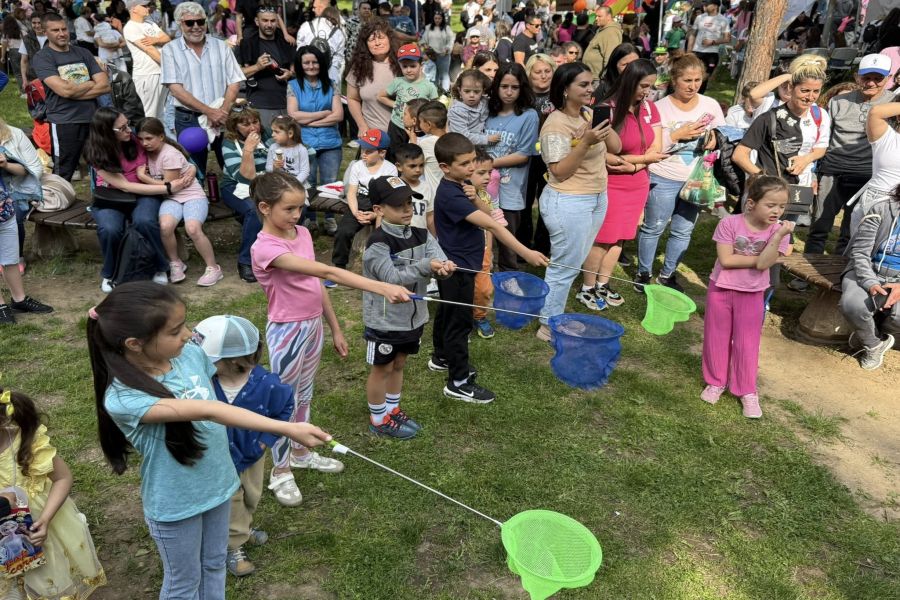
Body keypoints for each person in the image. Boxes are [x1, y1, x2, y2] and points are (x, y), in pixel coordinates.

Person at [88, 282, 334, 598]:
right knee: (183, 584)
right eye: (176, 331)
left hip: (219, 485)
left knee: (215, 564)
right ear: (135, 343)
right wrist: (287, 428)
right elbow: (210, 409)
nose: (189, 335)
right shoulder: (124, 397)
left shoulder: (190, 356)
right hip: (177, 505)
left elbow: (221, 389)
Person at [249, 172, 411, 499]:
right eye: (289, 209)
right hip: (287, 330)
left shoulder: (301, 233)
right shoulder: (265, 248)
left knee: (304, 395)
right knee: (284, 402)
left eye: (300, 208)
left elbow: (316, 284)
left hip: (312, 327)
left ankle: (300, 454)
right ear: (265, 207)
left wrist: (334, 327)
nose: (297, 215)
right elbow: (326, 271)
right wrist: (382, 287)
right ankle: (279, 472)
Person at [429, 133, 548, 402]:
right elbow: (493, 224)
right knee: (459, 323)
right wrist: (525, 253)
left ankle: (442, 356)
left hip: (459, 264)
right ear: (445, 167)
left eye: (473, 161)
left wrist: (472, 194)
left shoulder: (460, 187)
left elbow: (488, 210)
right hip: (459, 268)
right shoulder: (451, 196)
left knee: (448, 312)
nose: (471, 168)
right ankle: (458, 382)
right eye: (464, 164)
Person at [192, 315, 293, 576]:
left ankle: (242, 530)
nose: (202, 362)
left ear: (233, 360)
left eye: (209, 358)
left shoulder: (268, 383)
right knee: (231, 500)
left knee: (251, 496)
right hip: (218, 458)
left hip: (252, 455)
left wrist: (265, 441)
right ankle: (231, 547)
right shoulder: (204, 384)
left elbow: (284, 409)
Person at [535, 62, 622, 340]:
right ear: (564, 90)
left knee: (573, 260)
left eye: (591, 82)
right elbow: (559, 171)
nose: (591, 88)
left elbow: (618, 148)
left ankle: (554, 317)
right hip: (568, 201)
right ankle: (548, 324)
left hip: (595, 197)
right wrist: (585, 142)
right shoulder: (555, 125)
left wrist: (604, 125)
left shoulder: (587, 113)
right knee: (565, 265)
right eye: (583, 84)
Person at [362, 175, 453, 438]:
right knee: (383, 367)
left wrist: (444, 269)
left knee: (399, 363)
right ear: (378, 210)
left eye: (408, 203)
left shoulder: (423, 235)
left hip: (414, 319)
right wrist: (427, 266)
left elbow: (439, 260)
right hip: (384, 321)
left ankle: (393, 409)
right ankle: (379, 419)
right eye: (397, 205)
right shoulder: (377, 244)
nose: (406, 209)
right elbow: (392, 279)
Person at [701, 176, 793, 418]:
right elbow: (727, 260)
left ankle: (747, 390)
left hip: (753, 293)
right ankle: (716, 381)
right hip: (720, 288)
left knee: (747, 343)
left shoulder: (781, 231)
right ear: (751, 203)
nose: (777, 211)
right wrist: (763, 260)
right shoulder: (729, 224)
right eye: (770, 205)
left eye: (782, 206)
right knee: (717, 337)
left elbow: (763, 263)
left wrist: (776, 237)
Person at [0, 388, 105, 597]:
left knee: (47, 583)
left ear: (2, 419)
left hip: (37, 532)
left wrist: (46, 520)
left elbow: (62, 478)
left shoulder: (27, 444)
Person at [580, 59, 667, 310]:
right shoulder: (607, 108)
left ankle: (603, 283)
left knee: (621, 238)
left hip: (638, 182)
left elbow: (656, 148)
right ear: (630, 81)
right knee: (603, 238)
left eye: (650, 86)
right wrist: (642, 160)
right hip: (611, 184)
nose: (646, 92)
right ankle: (587, 286)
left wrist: (635, 165)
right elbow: (603, 156)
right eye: (643, 86)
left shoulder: (650, 109)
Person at [635, 54, 725, 293]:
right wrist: (677, 134)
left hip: (696, 177)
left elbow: (723, 135)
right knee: (654, 226)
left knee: (683, 229)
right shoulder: (659, 108)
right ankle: (643, 273)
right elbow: (651, 148)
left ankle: (667, 274)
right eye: (687, 80)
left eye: (697, 80)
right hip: (663, 175)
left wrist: (714, 138)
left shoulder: (710, 105)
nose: (693, 85)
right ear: (674, 79)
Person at [84, 107, 193, 293]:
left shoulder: (135, 139)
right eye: (122, 128)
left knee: (145, 221)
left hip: (145, 194)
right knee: (110, 229)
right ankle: (110, 274)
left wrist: (190, 167)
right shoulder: (95, 152)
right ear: (106, 132)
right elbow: (125, 186)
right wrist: (166, 188)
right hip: (113, 196)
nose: (129, 130)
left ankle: (159, 267)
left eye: (128, 124)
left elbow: (170, 149)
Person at [808, 54, 893, 256]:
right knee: (819, 225)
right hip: (832, 171)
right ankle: (805, 274)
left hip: (869, 176)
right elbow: (820, 139)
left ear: (888, 79)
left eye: (878, 78)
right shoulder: (837, 102)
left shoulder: (893, 102)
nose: (871, 83)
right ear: (857, 77)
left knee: (851, 230)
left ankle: (838, 275)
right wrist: (813, 173)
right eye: (866, 77)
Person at [733, 54, 830, 226]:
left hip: (798, 191)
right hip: (766, 192)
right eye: (805, 90)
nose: (810, 97)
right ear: (791, 88)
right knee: (755, 241)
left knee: (784, 241)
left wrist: (806, 159)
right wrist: (761, 178)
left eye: (816, 91)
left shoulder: (820, 115)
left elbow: (821, 148)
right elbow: (740, 154)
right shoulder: (769, 117)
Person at [135, 117, 223, 287]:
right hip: (171, 199)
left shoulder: (169, 154)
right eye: (141, 139)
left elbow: (171, 186)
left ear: (161, 136)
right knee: (165, 227)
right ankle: (176, 262)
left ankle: (213, 268)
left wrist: (143, 177)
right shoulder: (145, 153)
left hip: (191, 195)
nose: (144, 143)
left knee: (193, 228)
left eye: (148, 138)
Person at [162, 2, 245, 178]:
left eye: (200, 22)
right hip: (188, 119)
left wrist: (222, 111)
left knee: (233, 166)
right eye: (189, 23)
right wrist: (209, 112)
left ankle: (237, 202)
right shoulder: (170, 50)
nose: (196, 27)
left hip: (223, 115)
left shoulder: (221, 46)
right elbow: (175, 89)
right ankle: (198, 203)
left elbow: (235, 82)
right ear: (179, 24)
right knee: (193, 171)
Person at [33, 12, 110, 181]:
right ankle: (60, 204)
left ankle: (100, 203)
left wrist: (73, 90)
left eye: (64, 29)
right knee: (64, 171)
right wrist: (90, 82)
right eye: (55, 30)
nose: (61, 33)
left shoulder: (83, 52)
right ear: (45, 32)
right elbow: (64, 91)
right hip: (64, 121)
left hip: (93, 118)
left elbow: (104, 85)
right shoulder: (43, 57)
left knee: (102, 168)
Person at [839, 182, 900, 371]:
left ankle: (871, 331)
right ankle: (873, 344)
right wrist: (870, 281)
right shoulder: (881, 208)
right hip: (868, 270)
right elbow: (860, 252)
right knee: (852, 304)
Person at [485, 62, 539, 272]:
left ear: (522, 88)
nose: (508, 92)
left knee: (508, 241)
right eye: (504, 86)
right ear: (496, 86)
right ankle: (483, 277)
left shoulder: (528, 115)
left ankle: (508, 279)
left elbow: (523, 155)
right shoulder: (487, 111)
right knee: (482, 236)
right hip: (482, 188)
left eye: (514, 87)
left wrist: (488, 164)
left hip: (510, 189)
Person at [287, 44, 343, 235]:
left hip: (331, 143)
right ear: (300, 65)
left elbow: (338, 116)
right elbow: (292, 115)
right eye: (306, 63)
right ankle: (310, 219)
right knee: (307, 182)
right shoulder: (293, 85)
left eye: (315, 62)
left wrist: (307, 121)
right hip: (304, 143)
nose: (311, 66)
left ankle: (329, 218)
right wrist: (322, 114)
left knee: (330, 182)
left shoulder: (332, 84)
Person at [331, 130, 398, 275]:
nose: (363, 154)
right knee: (343, 232)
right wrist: (355, 213)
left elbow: (389, 198)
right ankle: (339, 267)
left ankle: (384, 267)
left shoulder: (391, 169)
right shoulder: (357, 166)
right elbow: (351, 192)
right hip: (359, 203)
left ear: (382, 153)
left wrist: (375, 215)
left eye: (368, 151)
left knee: (386, 233)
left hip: (381, 206)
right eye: (362, 149)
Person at [220, 102, 271, 283]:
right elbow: (245, 177)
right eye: (245, 124)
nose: (252, 127)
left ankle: (277, 252)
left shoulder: (267, 135)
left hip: (266, 184)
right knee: (254, 210)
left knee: (293, 206)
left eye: (255, 122)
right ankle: (245, 261)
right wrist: (248, 149)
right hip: (235, 186)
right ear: (235, 126)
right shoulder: (229, 143)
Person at [238, 5, 296, 131]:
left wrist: (289, 74)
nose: (269, 25)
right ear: (257, 21)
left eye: (273, 21)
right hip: (259, 104)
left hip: (286, 103)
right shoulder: (247, 44)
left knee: (285, 146)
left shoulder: (286, 42)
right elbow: (236, 74)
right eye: (265, 20)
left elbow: (296, 72)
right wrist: (257, 66)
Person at [0, 117, 43, 278]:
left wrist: (7, 165)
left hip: (20, 190)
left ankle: (16, 257)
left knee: (13, 213)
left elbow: (35, 169)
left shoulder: (14, 134)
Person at [346, 18, 401, 138]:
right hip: (373, 136)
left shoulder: (404, 65)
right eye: (371, 39)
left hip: (402, 136)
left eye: (381, 37)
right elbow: (352, 98)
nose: (377, 43)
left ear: (389, 39)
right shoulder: (359, 67)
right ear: (365, 44)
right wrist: (362, 126)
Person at [378, 43, 439, 146]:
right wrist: (396, 104)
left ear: (421, 65)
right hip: (396, 126)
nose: (409, 70)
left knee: (414, 154)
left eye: (413, 66)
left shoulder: (429, 86)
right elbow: (380, 96)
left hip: (418, 129)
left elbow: (434, 108)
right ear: (400, 66)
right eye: (405, 66)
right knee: (394, 154)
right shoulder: (398, 82)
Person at [123, 0, 170, 121]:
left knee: (160, 113)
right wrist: (171, 66)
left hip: (161, 71)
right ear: (133, 8)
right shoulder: (130, 27)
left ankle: (158, 139)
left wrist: (155, 40)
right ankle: (145, 140)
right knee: (148, 115)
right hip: (146, 74)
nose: (148, 8)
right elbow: (150, 50)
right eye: (144, 6)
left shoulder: (150, 23)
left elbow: (167, 38)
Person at [295, 0, 345, 86]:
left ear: (322, 7)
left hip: (307, 74)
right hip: (330, 73)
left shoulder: (305, 26)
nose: (313, 10)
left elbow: (299, 50)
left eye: (314, 7)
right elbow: (339, 57)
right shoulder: (338, 30)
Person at [686, 0, 729, 93]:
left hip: (711, 54)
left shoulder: (723, 20)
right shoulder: (699, 17)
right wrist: (689, 50)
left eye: (707, 4)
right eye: (704, 4)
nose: (704, 6)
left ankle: (699, 96)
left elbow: (727, 39)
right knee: (693, 75)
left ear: (715, 6)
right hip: (697, 51)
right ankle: (691, 94)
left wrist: (712, 42)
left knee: (704, 77)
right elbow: (693, 34)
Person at [447, 69, 498, 146]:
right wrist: (486, 139)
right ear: (459, 90)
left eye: (476, 92)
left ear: (483, 91)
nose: (471, 95)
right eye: (467, 91)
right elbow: (462, 136)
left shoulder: (484, 102)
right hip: (463, 148)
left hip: (480, 147)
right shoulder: (457, 111)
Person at [395, 143, 435, 234]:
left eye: (421, 165)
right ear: (399, 166)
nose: (418, 170)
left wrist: (433, 240)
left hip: (420, 240)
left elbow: (430, 217)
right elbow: (382, 216)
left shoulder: (427, 188)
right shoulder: (392, 187)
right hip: (398, 240)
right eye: (412, 166)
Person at [266, 115, 310, 188]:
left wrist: (292, 185)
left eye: (276, 132)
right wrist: (274, 167)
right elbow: (268, 168)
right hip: (278, 186)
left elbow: (304, 172)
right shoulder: (273, 147)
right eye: (272, 131)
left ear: (290, 133)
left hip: (297, 186)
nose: (272, 135)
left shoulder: (301, 149)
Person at [416, 99, 448, 193]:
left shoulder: (426, 143)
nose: (419, 125)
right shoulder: (451, 139)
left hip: (434, 194)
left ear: (429, 124)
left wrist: (413, 139)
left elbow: (413, 161)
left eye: (420, 122)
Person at [583, 6, 622, 81]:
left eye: (599, 16)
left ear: (609, 17)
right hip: (593, 77)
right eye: (596, 16)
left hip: (599, 80)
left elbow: (610, 57)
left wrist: (605, 79)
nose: (596, 18)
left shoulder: (611, 32)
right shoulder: (604, 30)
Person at [422, 11, 453, 91]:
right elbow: (424, 40)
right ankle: (434, 91)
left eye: (439, 18)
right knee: (433, 74)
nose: (437, 20)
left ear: (442, 19)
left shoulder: (447, 28)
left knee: (444, 74)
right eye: (436, 18)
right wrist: (425, 45)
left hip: (443, 55)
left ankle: (445, 92)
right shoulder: (428, 27)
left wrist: (448, 48)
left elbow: (451, 40)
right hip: (431, 55)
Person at [18, 13, 47, 91]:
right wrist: (24, 80)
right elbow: (24, 61)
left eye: (39, 23)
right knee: (36, 102)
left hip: (52, 77)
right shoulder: (27, 39)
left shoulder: (52, 37)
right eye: (34, 23)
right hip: (33, 78)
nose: (37, 26)